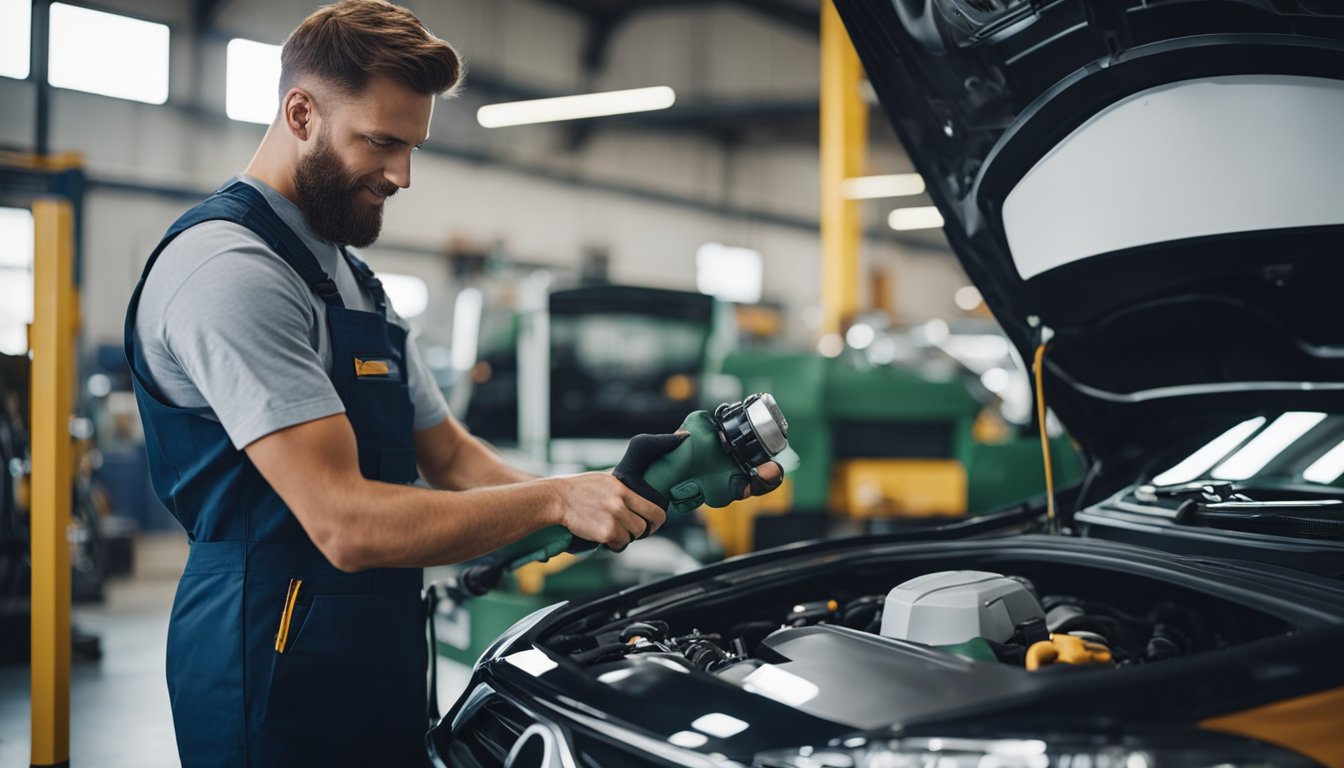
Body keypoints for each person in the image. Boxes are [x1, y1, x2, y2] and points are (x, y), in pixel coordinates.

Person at [123, 2, 780, 766]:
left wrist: (622, 494)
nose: (402, 174)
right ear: (300, 113)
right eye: (382, 142)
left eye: (413, 146)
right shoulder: (230, 273)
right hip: (263, 655)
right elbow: (347, 523)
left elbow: (460, 463)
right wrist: (558, 499)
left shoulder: (356, 282)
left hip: (380, 647)